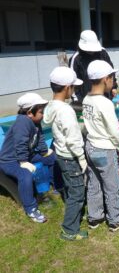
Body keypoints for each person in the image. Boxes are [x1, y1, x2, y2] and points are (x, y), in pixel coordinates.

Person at [43, 67, 87, 239]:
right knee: (77, 193)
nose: (74, 90)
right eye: (73, 87)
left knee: (70, 188)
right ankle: (69, 229)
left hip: (60, 154)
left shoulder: (51, 106)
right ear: (67, 87)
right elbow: (73, 138)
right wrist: (82, 158)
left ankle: (74, 214)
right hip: (70, 156)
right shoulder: (66, 110)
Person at [82, 60, 119, 232]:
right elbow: (114, 130)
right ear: (106, 79)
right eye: (113, 78)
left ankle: (94, 217)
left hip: (90, 146)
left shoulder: (86, 99)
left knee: (94, 183)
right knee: (112, 186)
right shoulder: (105, 103)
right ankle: (115, 220)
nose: (114, 81)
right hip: (104, 149)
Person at [0, 93, 54, 223]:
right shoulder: (22, 123)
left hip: (26, 155)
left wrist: (44, 151)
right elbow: (21, 143)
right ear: (30, 112)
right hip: (10, 160)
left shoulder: (35, 122)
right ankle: (31, 209)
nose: (43, 115)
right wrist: (23, 162)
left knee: (51, 158)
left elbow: (40, 138)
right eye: (41, 112)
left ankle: (55, 185)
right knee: (25, 175)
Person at [69, 30, 116, 103]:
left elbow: (111, 70)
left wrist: (113, 87)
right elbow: (73, 81)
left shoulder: (102, 53)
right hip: (86, 98)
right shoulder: (76, 59)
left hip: (105, 95)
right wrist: (77, 101)